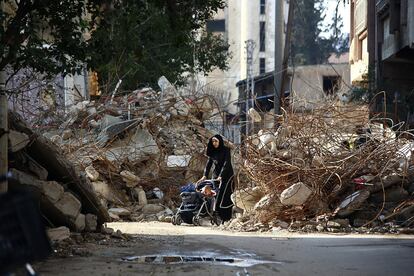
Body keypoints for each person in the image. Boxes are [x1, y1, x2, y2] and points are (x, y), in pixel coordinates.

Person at [197, 134, 235, 222]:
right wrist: (205, 175)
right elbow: (208, 164)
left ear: (220, 141)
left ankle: (225, 217)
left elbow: (227, 163)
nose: (214, 143)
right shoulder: (212, 151)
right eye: (213, 141)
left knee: (224, 195)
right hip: (216, 176)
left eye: (216, 141)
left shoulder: (226, 150)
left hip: (227, 175)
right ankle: (214, 213)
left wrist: (221, 175)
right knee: (214, 194)